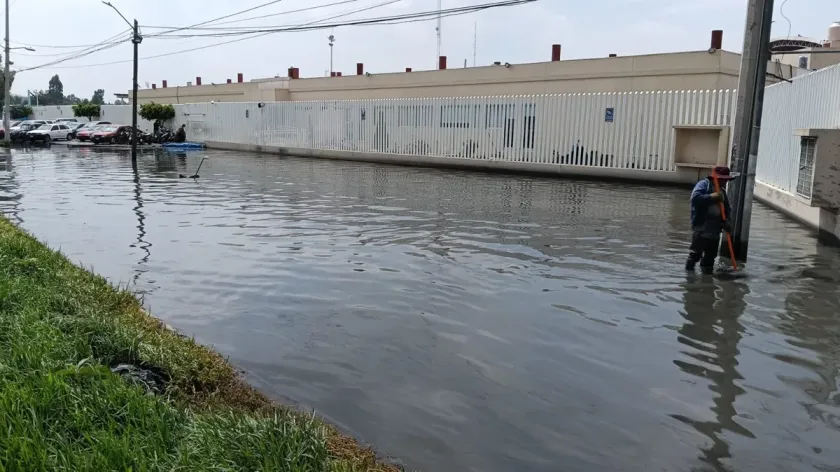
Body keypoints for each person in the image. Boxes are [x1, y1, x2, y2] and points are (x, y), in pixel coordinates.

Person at [685, 166, 738, 273]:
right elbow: (695, 199)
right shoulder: (704, 185)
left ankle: (707, 280)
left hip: (715, 230)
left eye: (726, 180)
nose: (725, 182)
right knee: (695, 255)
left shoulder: (722, 191)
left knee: (710, 258)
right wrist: (712, 197)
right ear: (716, 178)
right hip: (702, 227)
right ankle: (689, 280)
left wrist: (727, 221)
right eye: (723, 179)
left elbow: (726, 208)